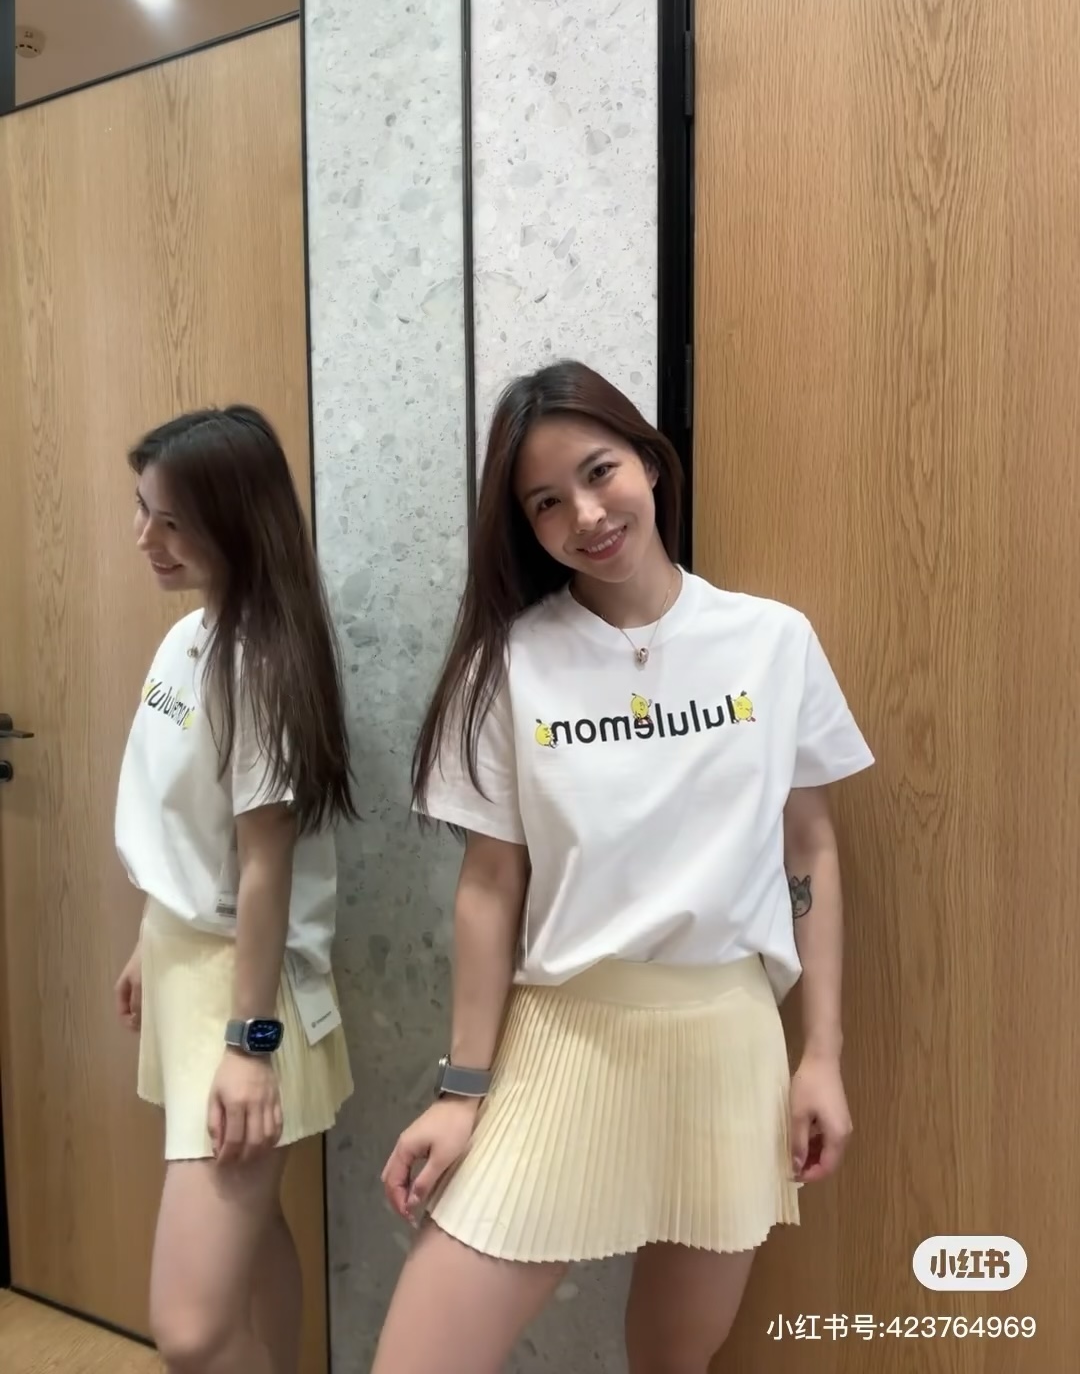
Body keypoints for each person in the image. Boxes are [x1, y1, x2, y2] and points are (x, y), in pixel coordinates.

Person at [373, 362, 874, 1374]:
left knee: (673, 1361)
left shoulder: (771, 642)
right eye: (547, 503)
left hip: (726, 1046)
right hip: (564, 1040)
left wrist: (819, 1055)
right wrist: (462, 1091)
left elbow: (809, 846)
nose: (587, 516)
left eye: (600, 472)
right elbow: (490, 888)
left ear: (649, 461)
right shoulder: (508, 664)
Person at [112, 405, 356, 1374]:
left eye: (172, 521)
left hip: (242, 998)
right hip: (187, 965)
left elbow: (265, 866)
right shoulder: (190, 636)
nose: (146, 538)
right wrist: (151, 937)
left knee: (190, 1329)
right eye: (143, 510)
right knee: (251, 1246)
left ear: (238, 523)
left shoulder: (259, 663)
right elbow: (186, 824)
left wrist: (249, 1047)